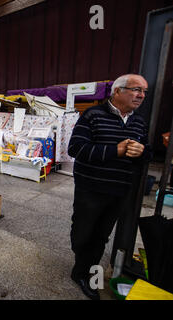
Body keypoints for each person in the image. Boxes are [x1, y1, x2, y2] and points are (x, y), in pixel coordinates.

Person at [67, 74, 152, 300]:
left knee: (101, 236)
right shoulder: (93, 115)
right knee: (82, 234)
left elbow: (148, 154)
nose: (141, 95)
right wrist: (116, 150)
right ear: (117, 91)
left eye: (144, 91)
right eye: (136, 89)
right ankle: (81, 266)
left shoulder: (139, 122)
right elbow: (76, 148)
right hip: (90, 189)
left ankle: (86, 276)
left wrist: (142, 153)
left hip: (119, 191)